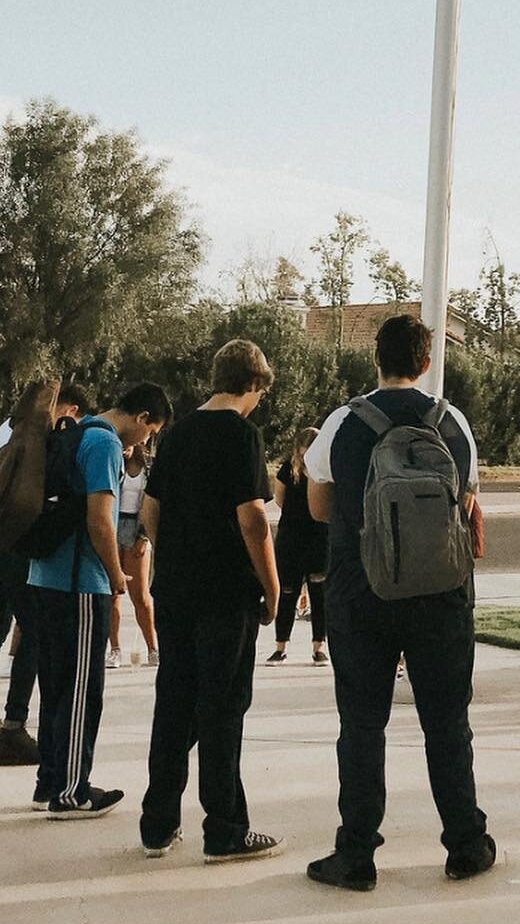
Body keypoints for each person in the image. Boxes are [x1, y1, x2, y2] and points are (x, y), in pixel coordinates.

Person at [303, 314, 493, 892]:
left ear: (375, 360)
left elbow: (316, 509)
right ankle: (465, 843)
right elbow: (464, 502)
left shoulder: (341, 422)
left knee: (362, 725)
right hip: (440, 594)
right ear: (427, 362)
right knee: (447, 721)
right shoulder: (452, 421)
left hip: (363, 593)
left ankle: (356, 854)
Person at [138, 340, 282, 862]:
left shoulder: (175, 435)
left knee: (174, 704)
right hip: (225, 593)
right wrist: (272, 586)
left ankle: (158, 824)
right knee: (222, 709)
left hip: (175, 588)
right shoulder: (243, 434)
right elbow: (253, 518)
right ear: (255, 385)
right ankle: (224, 827)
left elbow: (150, 512)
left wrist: (174, 553)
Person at [29, 381, 171, 819]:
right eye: (150, 431)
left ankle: (50, 779)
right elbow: (100, 520)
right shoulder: (106, 445)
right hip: (80, 582)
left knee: (54, 687)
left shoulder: (77, 430)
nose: (145, 441)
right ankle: (72, 790)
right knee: (81, 691)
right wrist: (116, 575)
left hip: (45, 576)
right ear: (142, 417)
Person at [0, 382, 91, 760]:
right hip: (16, 543)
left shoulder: (11, 429)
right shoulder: (38, 438)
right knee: (34, 630)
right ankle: (15, 727)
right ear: (67, 408)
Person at [266, 425, 329, 667]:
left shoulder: (324, 472)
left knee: (319, 593)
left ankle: (318, 647)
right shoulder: (286, 471)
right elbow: (280, 500)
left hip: (319, 535)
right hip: (292, 536)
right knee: (287, 592)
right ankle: (281, 646)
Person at [109, 442, 159, 670]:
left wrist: (145, 536)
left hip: (136, 527)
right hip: (114, 523)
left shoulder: (148, 467)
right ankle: (115, 649)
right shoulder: (113, 463)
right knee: (113, 593)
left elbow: (152, 504)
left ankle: (152, 648)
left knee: (140, 594)